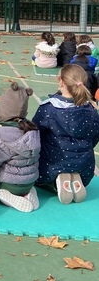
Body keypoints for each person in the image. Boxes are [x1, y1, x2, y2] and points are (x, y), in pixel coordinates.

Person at [32, 64, 99, 204]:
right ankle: (74, 175)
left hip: (54, 164)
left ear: (61, 81)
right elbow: (95, 137)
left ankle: (58, 180)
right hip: (85, 166)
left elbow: (36, 134)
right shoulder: (92, 110)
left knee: (40, 145)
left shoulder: (49, 108)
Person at [0, 83, 41, 212]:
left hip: (9, 184)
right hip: (29, 181)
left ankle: (1, 196)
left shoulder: (1, 136)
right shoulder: (33, 131)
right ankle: (27, 193)